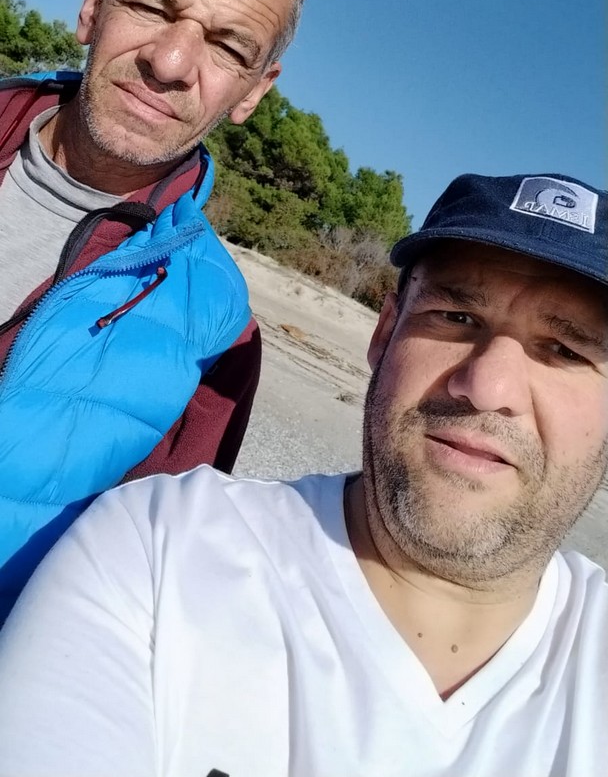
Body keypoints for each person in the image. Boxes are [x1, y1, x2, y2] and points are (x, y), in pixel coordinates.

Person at [0, 170, 606, 777]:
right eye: (456, 316)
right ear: (384, 331)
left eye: (566, 350)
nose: (487, 387)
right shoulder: (157, 550)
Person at [0, 0, 313, 620]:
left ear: (254, 90)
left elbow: (131, 599)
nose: (170, 63)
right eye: (151, 5)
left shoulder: (219, 332)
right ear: (94, 3)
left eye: (228, 46)